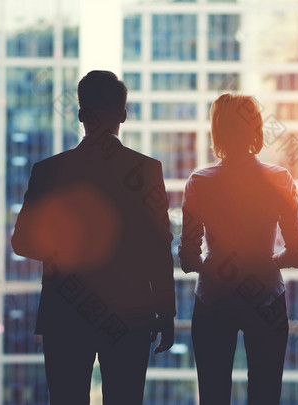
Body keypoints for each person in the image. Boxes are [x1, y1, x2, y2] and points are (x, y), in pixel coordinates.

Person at [11, 70, 176, 404]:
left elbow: (22, 241)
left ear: (81, 115)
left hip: (65, 311)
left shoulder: (49, 171)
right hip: (130, 312)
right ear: (123, 114)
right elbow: (159, 246)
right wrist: (166, 312)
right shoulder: (146, 171)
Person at [178, 94, 298, 405]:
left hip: (213, 297)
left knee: (212, 393)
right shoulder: (279, 179)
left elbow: (188, 259)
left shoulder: (200, 182)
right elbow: (296, 255)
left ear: (218, 132)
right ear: (256, 130)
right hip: (267, 296)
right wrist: (267, 261)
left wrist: (211, 263)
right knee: (265, 394)